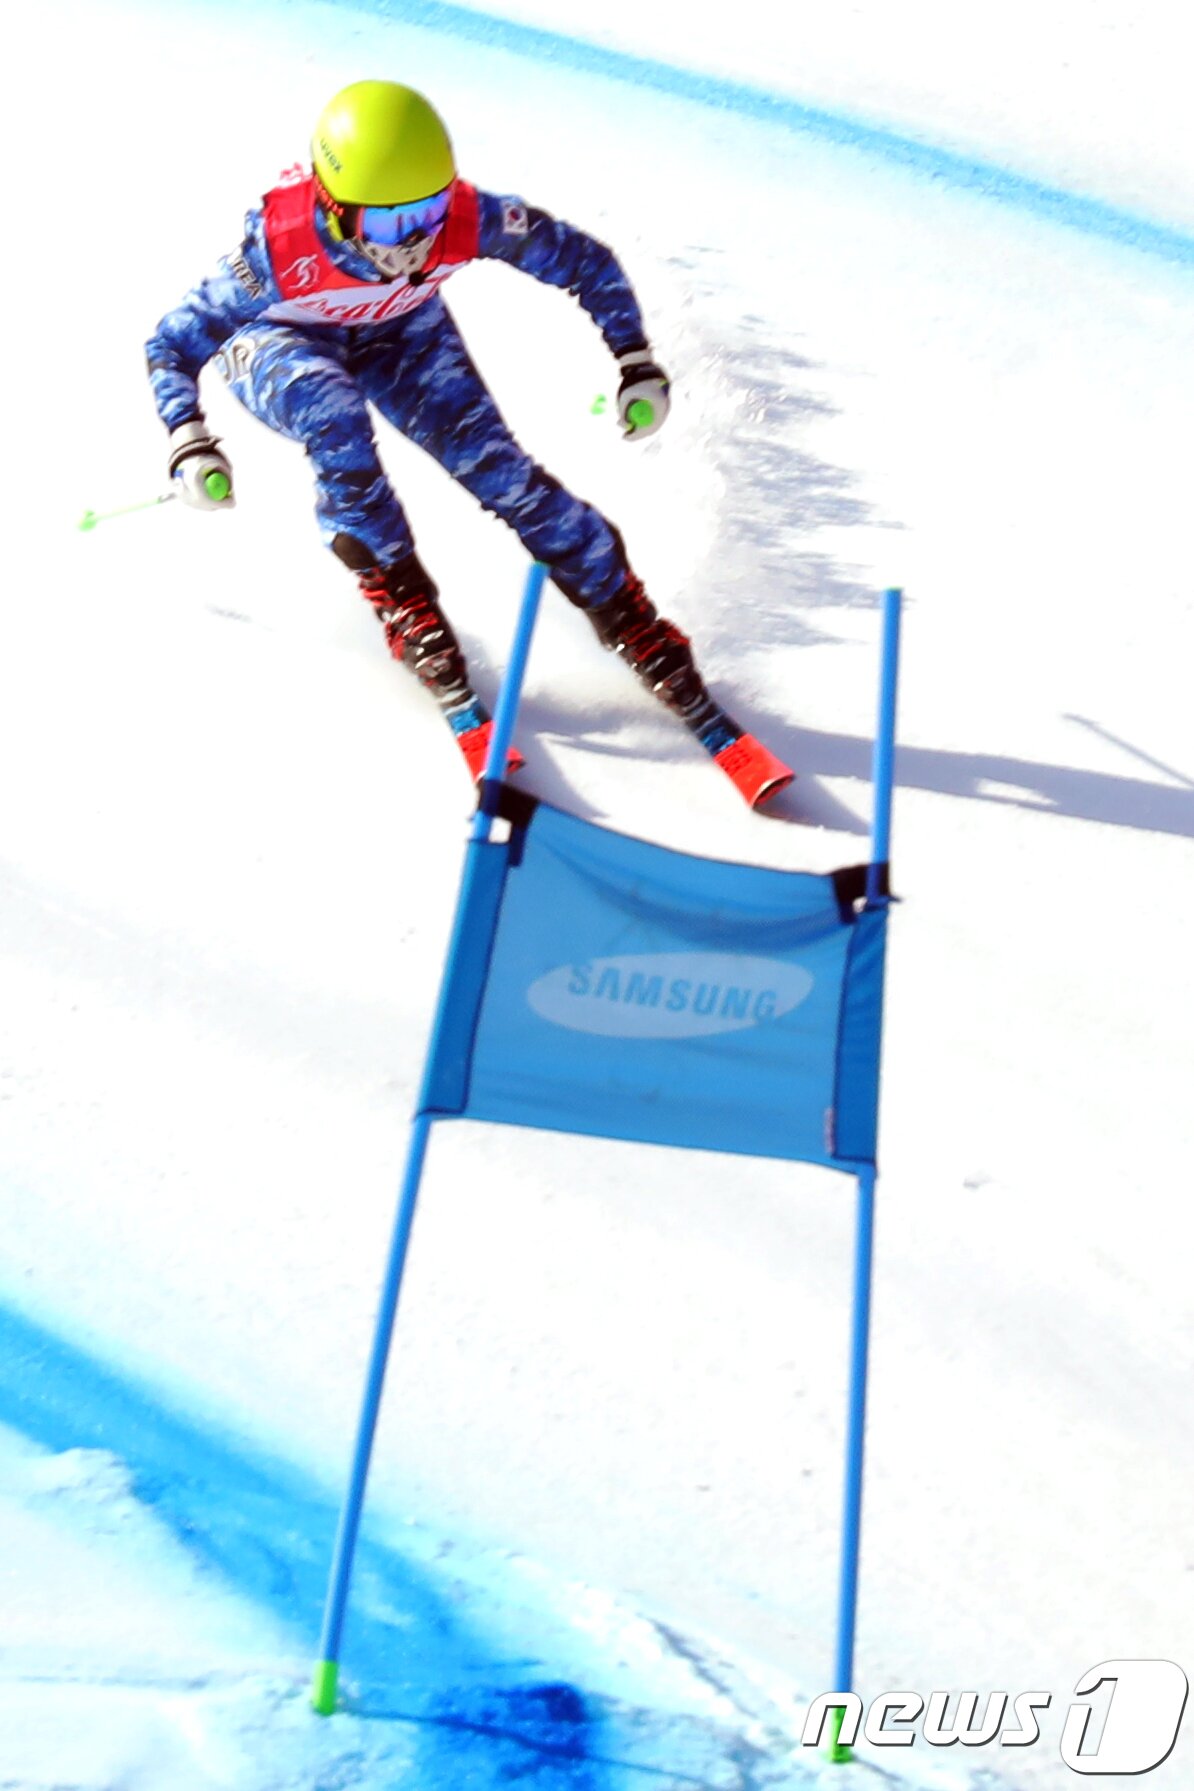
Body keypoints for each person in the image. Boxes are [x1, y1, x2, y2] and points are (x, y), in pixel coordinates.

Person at [146, 80, 792, 803]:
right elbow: (172, 343)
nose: (417, 240)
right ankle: (399, 597)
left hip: (400, 330)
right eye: (391, 225)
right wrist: (189, 438)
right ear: (334, 206)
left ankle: (632, 620)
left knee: (504, 474)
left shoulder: (468, 217)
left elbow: (584, 261)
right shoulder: (276, 249)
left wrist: (633, 359)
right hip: (278, 340)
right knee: (335, 418)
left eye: (429, 210)